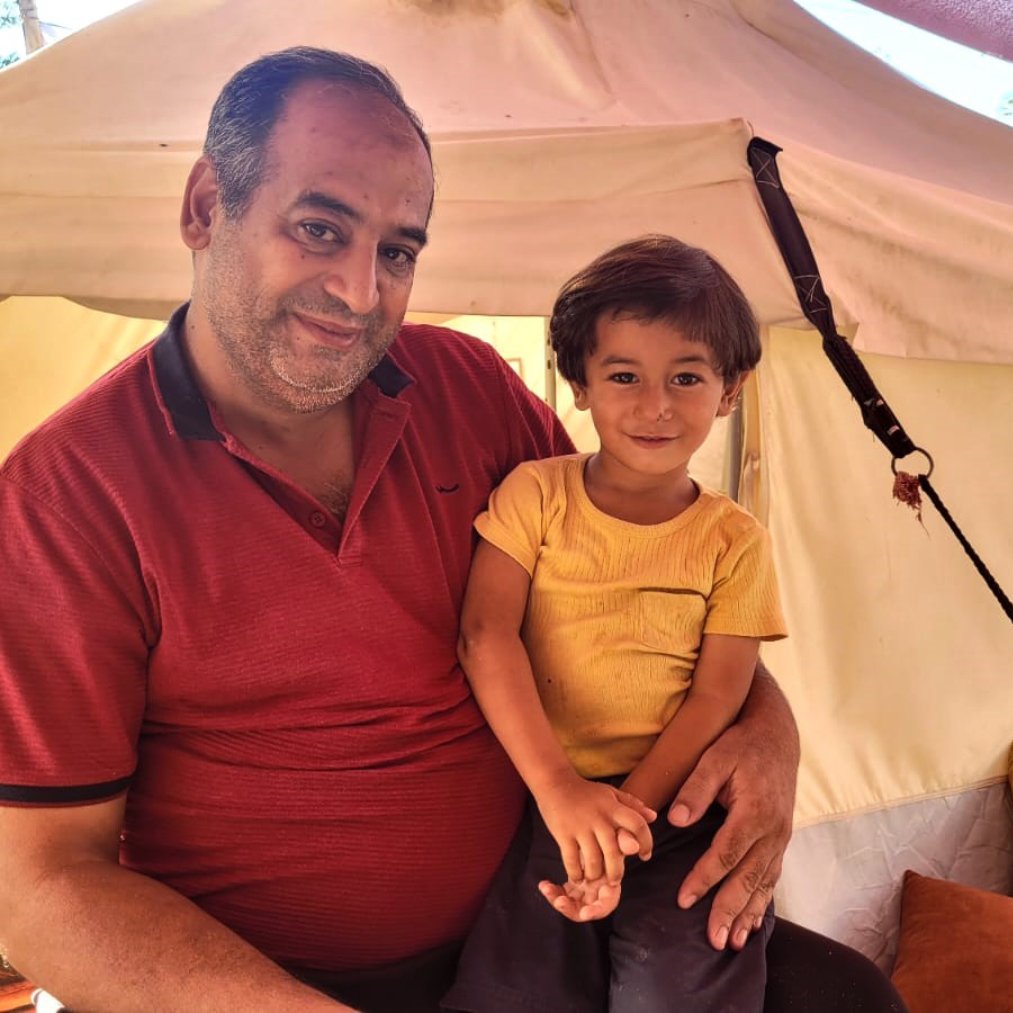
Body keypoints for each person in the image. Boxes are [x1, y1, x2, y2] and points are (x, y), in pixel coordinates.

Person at [0, 47, 905, 1013]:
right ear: (204, 207)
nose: (358, 291)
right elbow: (38, 886)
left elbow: (640, 587)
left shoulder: (468, 391)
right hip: (256, 985)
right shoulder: (69, 494)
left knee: (852, 1001)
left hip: (549, 906)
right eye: (319, 227)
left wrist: (770, 728)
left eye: (397, 250)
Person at [443, 236, 788, 1013]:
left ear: (729, 390)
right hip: (544, 795)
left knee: (687, 981)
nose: (654, 404)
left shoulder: (734, 542)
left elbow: (715, 699)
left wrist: (626, 824)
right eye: (623, 375)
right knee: (516, 988)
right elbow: (484, 634)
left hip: (675, 811)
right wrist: (561, 792)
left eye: (686, 377)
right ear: (579, 385)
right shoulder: (535, 495)